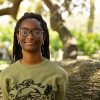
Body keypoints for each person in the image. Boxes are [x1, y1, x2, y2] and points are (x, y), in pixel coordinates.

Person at [0, 12, 68, 100]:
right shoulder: (6, 74)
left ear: (43, 37)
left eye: (36, 32)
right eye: (24, 32)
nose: (30, 36)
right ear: (18, 36)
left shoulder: (59, 74)